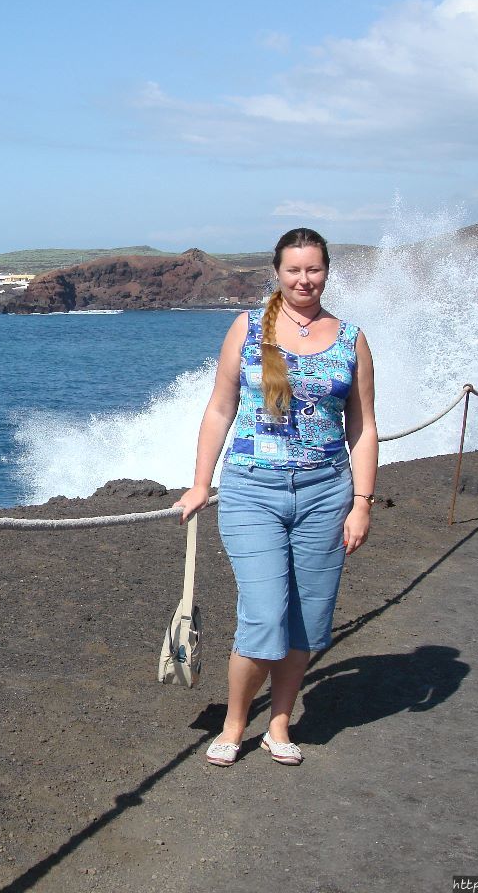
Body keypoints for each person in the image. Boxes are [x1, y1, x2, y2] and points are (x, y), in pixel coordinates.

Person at [173, 227, 378, 767]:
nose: (304, 279)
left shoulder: (350, 337)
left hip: (326, 493)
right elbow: (220, 409)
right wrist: (200, 482)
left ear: (326, 272)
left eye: (313, 269)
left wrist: (362, 502)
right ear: (278, 273)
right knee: (264, 616)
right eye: (294, 270)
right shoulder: (246, 328)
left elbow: (363, 425)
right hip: (251, 492)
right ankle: (236, 722)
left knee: (308, 620)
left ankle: (280, 722)